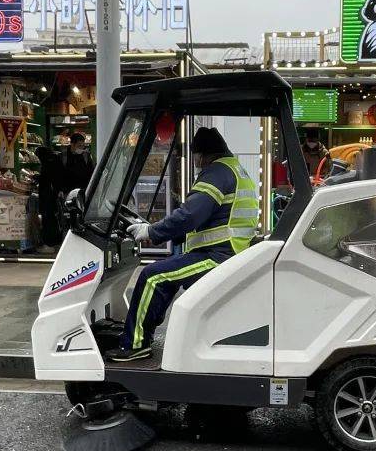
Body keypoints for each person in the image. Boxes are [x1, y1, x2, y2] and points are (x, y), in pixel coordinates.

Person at [108, 127, 259, 362]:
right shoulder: (233, 169)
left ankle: (135, 345)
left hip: (218, 258)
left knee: (152, 276)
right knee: (165, 275)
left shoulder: (217, 172)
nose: (196, 162)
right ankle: (141, 334)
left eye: (196, 156)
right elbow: (211, 219)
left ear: (204, 155)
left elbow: (190, 215)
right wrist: (172, 234)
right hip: (227, 253)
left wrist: (152, 231)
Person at [59, 132, 94, 197]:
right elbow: (58, 175)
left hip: (83, 192)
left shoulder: (86, 156)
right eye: (79, 146)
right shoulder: (63, 157)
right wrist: (60, 190)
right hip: (67, 192)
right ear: (72, 144)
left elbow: (91, 172)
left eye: (83, 146)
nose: (82, 148)